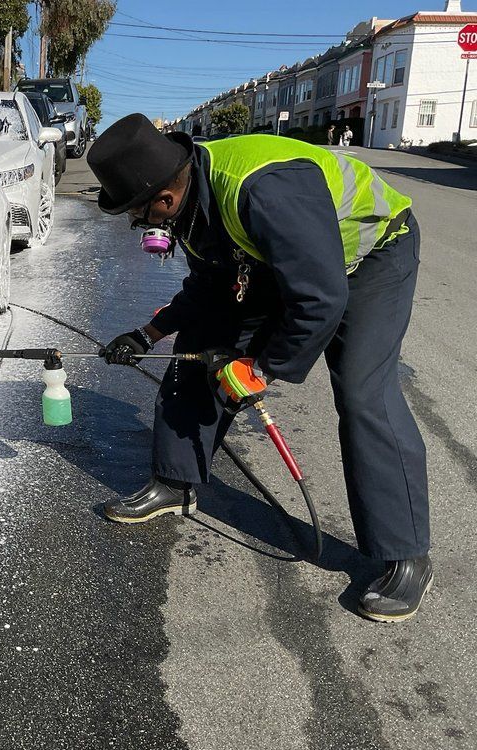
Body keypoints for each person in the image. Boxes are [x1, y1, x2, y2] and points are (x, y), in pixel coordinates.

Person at [87, 114, 431, 623]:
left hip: (372, 256)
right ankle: (175, 481)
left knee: (364, 394)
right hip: (287, 261)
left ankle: (405, 554)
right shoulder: (192, 204)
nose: (141, 226)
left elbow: (320, 298)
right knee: (199, 351)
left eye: (138, 215)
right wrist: (148, 335)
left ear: (163, 198)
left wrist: (262, 368)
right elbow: (207, 290)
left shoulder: (263, 191)